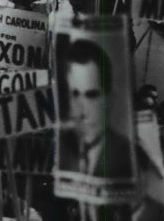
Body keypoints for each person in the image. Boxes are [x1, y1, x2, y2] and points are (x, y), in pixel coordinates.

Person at [57, 38, 133, 178]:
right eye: (75, 94)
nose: (82, 111)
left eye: (91, 95)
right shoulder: (58, 150)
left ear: (110, 99)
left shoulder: (129, 157)